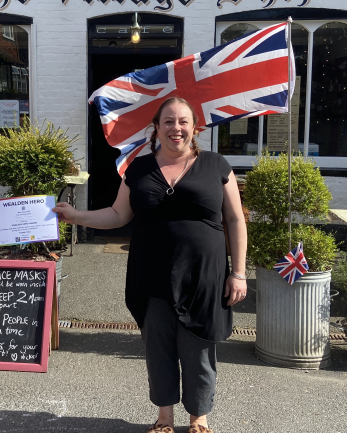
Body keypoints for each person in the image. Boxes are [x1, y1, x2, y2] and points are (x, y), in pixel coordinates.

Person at [54, 97, 247, 433]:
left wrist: (239, 273)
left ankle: (199, 417)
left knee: (199, 349)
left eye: (183, 121)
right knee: (158, 348)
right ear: (156, 128)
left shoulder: (216, 165)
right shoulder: (139, 168)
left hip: (204, 276)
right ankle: (164, 417)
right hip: (152, 274)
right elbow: (117, 214)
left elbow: (234, 219)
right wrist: (76, 216)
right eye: (168, 121)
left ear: (195, 128)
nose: (176, 128)